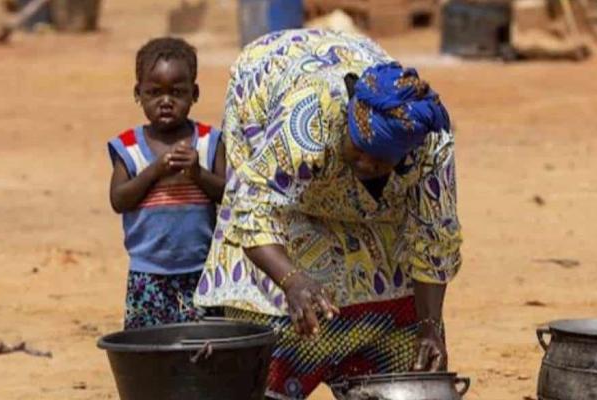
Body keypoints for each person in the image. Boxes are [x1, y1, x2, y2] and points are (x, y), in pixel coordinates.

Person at [194, 29, 462, 399]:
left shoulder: (430, 142)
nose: (366, 163)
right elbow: (253, 208)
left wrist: (431, 326)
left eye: (381, 160)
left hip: (347, 74)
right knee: (282, 273)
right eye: (359, 149)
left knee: (393, 284)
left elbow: (435, 235)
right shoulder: (309, 118)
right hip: (269, 80)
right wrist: (291, 280)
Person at [108, 38, 226, 329]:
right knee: (149, 350)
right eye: (154, 92)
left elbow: (229, 194)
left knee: (203, 346)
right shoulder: (129, 147)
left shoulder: (209, 142)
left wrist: (198, 174)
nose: (165, 101)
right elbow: (119, 200)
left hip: (200, 274)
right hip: (147, 275)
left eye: (177, 92)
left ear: (194, 93)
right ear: (138, 94)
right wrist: (154, 171)